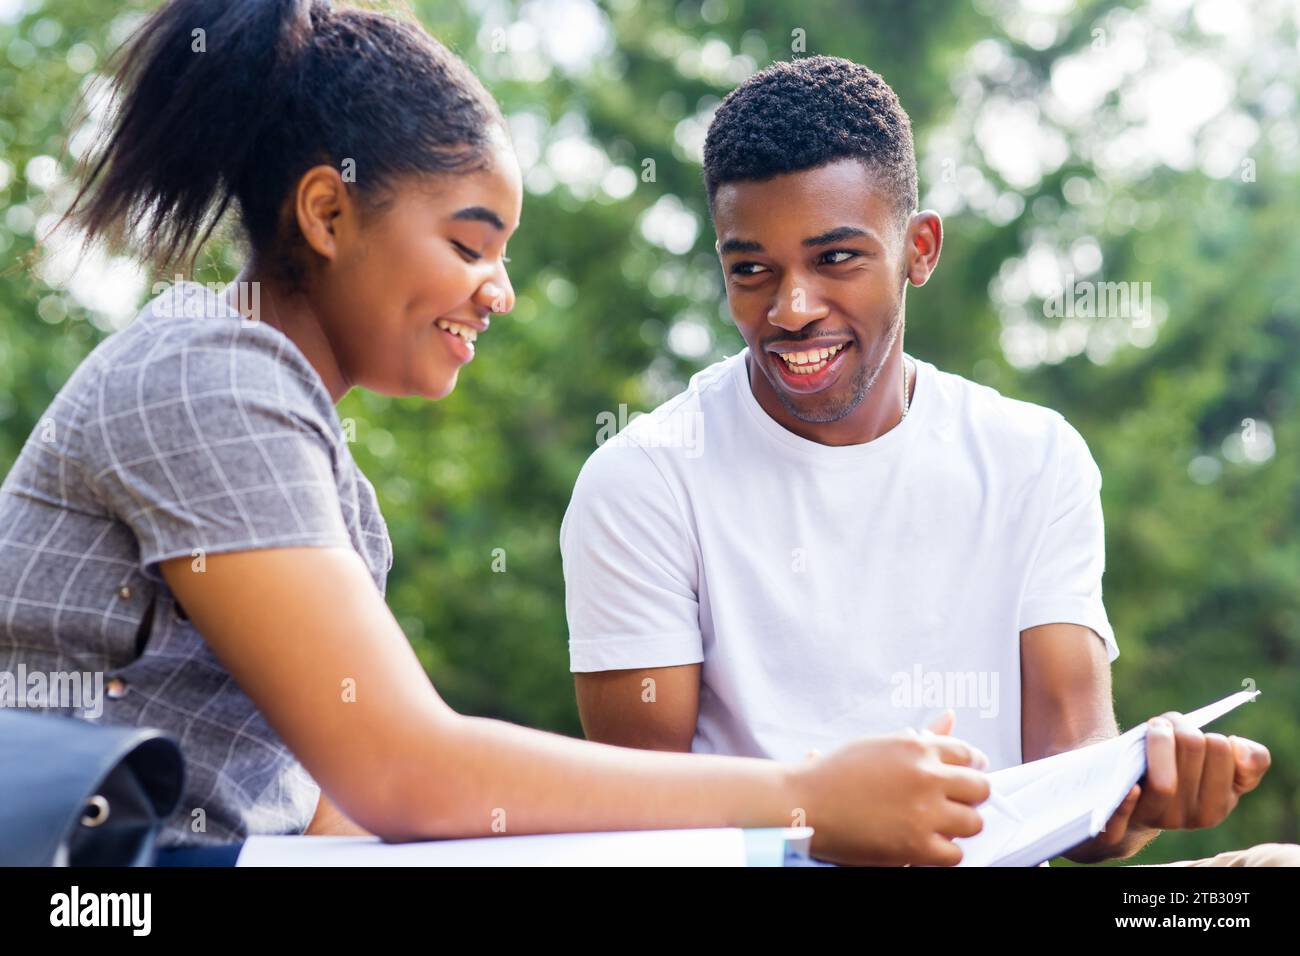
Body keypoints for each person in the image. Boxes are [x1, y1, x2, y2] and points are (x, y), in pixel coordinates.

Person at [0, 1, 993, 866]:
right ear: (327, 211)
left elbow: (345, 808)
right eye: (470, 243)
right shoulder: (204, 377)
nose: (500, 291)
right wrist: (807, 795)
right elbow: (403, 769)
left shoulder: (305, 450)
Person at [562, 56, 1289, 865]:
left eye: (836, 259)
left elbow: (1072, 782)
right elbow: (643, 821)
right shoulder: (644, 480)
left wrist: (1144, 798)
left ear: (920, 248)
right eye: (752, 270)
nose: (792, 309)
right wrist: (825, 816)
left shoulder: (1035, 458)